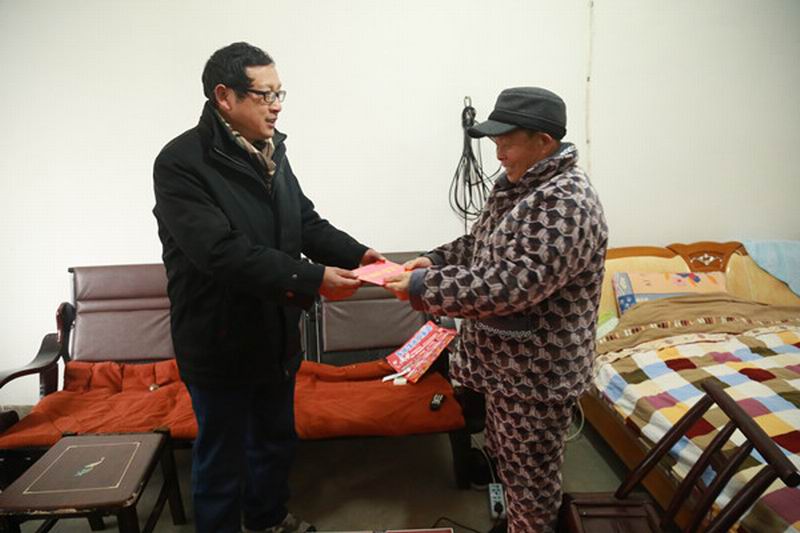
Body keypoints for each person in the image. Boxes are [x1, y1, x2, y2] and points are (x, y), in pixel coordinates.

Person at [153, 42, 382, 533]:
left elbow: (305, 222)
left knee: (275, 442)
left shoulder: (272, 151)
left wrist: (360, 255)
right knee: (222, 459)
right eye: (265, 95)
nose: (277, 106)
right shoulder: (181, 163)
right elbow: (220, 252)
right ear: (224, 96)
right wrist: (315, 279)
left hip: (275, 334)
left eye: (280, 93)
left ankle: (267, 519)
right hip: (218, 340)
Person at [386, 87, 608, 533]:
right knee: (510, 464)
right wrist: (435, 259)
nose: (498, 152)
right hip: (508, 371)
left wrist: (424, 286)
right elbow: (483, 244)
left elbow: (510, 284)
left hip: (537, 378)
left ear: (544, 142)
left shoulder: (566, 203)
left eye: (507, 141)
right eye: (495, 141)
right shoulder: (521, 185)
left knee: (531, 483)